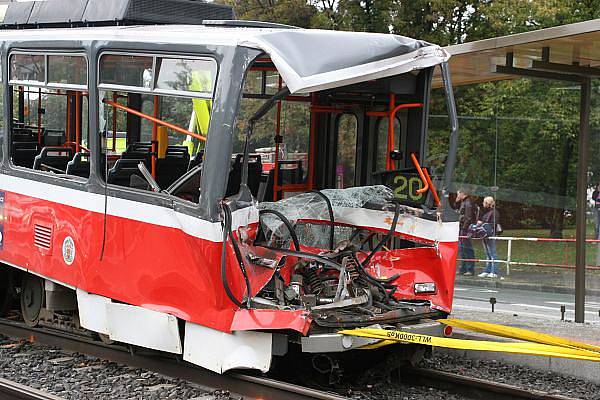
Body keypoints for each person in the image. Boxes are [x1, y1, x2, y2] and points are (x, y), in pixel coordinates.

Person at [455, 189, 478, 276]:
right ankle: (463, 268)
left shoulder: (468, 203)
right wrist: (457, 202)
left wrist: (464, 228)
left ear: (462, 193)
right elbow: (457, 209)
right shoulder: (464, 202)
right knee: (462, 249)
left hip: (465, 228)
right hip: (463, 227)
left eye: (458, 194)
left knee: (467, 248)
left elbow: (468, 217)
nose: (457, 196)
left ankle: (469, 269)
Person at [478, 196, 500, 278]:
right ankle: (487, 270)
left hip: (490, 234)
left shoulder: (494, 212)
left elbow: (493, 223)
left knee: (492, 253)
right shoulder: (487, 212)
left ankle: (494, 271)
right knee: (488, 253)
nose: (483, 204)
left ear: (488, 203)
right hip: (485, 234)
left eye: (484, 202)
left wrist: (484, 225)